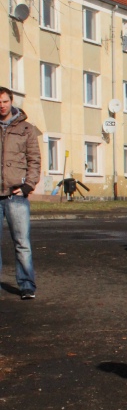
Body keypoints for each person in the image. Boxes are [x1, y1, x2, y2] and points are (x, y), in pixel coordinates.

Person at [0, 87, 40, 300]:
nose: (1, 105)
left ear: (11, 101)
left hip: (16, 194)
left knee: (22, 242)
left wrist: (28, 186)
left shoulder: (26, 129)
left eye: (5, 101)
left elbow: (34, 160)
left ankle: (26, 285)